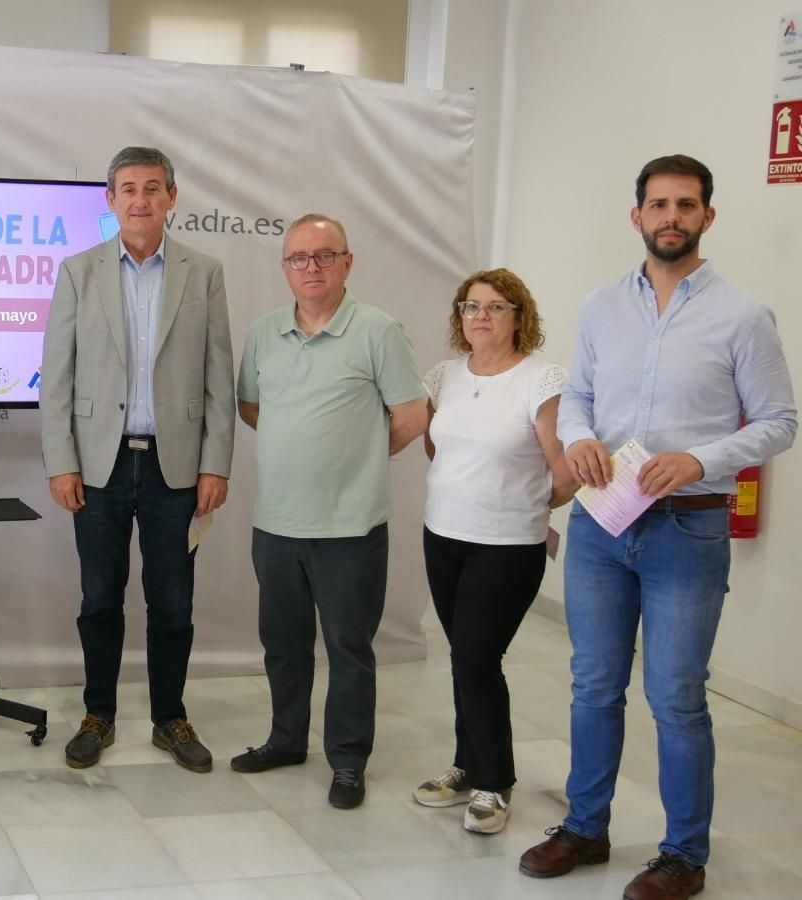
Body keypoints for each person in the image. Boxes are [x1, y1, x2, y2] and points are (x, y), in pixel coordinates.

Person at [519, 155, 795, 900]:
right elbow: (576, 394)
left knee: (676, 693)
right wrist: (577, 436)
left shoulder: (742, 316)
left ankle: (682, 855)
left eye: (686, 204)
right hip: (602, 523)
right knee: (593, 683)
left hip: (688, 527)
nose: (671, 216)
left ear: (707, 217)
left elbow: (780, 423)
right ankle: (585, 826)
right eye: (658, 204)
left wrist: (700, 457)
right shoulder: (602, 306)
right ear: (636, 215)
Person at [39, 146, 235, 773]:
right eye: (128, 188)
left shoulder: (203, 272)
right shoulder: (79, 271)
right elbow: (58, 379)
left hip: (174, 468)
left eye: (153, 188)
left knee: (173, 602)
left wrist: (217, 463)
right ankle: (99, 714)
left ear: (172, 197)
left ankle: (170, 717)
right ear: (111, 200)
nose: (141, 200)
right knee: (100, 598)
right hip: (98, 465)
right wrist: (60, 460)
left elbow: (217, 377)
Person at [231, 213, 428, 809]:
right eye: (299, 258)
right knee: (283, 646)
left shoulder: (378, 331)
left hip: (350, 526)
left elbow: (412, 416)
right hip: (277, 525)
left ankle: (347, 761)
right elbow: (250, 407)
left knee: (348, 649)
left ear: (347, 263)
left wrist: (356, 454)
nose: (311, 267)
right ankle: (286, 740)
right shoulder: (265, 332)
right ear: (285, 267)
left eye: (324, 255)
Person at [410, 268, 576, 835]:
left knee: (477, 659)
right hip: (444, 535)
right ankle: (466, 764)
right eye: (470, 306)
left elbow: (566, 472)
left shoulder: (541, 379)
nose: (481, 316)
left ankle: (495, 781)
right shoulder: (443, 376)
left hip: (507, 545)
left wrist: (526, 507)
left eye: (495, 306)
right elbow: (440, 451)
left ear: (518, 316)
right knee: (463, 655)